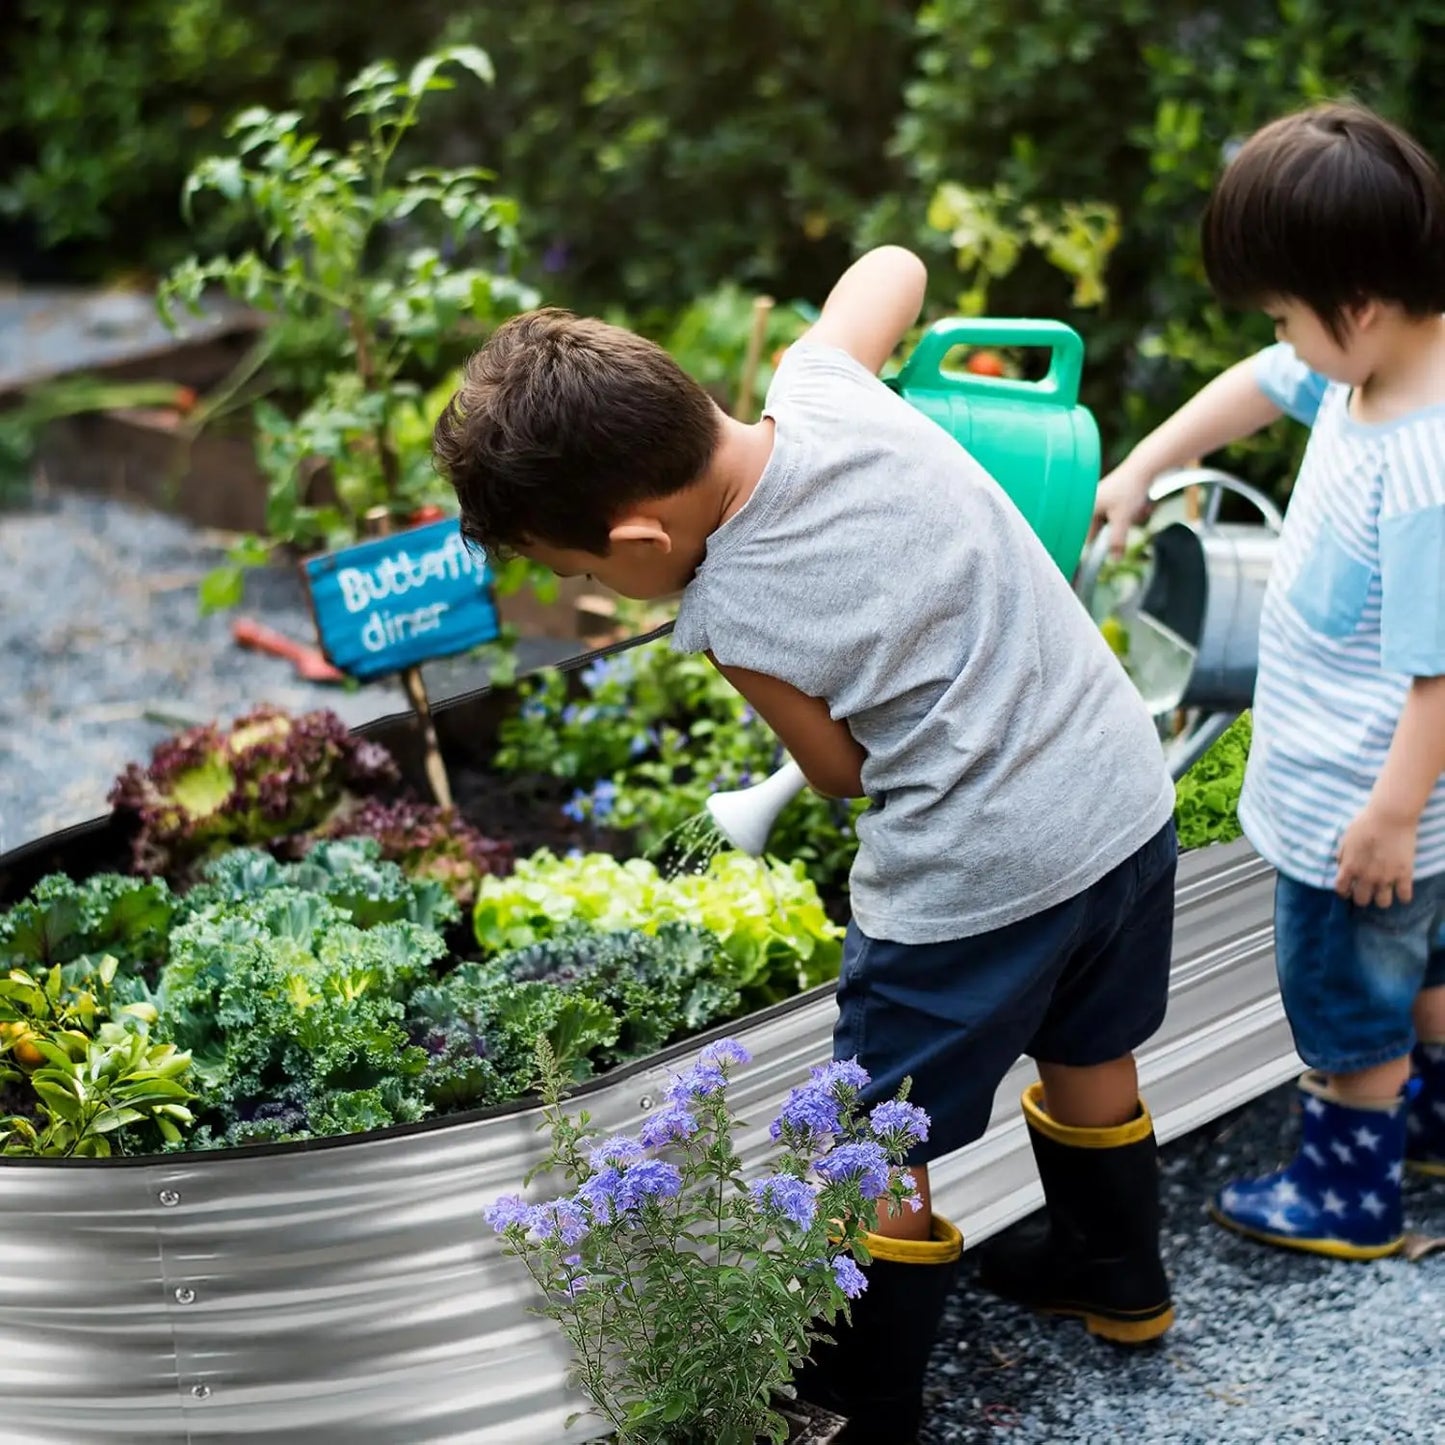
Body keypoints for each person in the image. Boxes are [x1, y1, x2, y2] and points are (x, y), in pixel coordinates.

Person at [434, 245, 1178, 1442]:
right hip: (1118, 795)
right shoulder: (824, 381)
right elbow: (891, 265)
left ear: (635, 542)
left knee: (868, 1130)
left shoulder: (724, 606)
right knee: (1088, 1037)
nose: (599, 584)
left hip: (972, 875)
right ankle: (1119, 1279)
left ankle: (865, 1401)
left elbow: (837, 773)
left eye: (580, 570)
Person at [1095, 101, 1445, 1259]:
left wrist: (1388, 816)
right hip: (1402, 815)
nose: (1281, 340)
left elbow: (1438, 670)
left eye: (1288, 317)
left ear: (1352, 307)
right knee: (1427, 969)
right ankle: (1423, 1118)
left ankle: (1350, 1190)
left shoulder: (1423, 463)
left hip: (1364, 809)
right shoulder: (1369, 370)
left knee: (1344, 998)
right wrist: (1149, 463)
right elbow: (1261, 383)